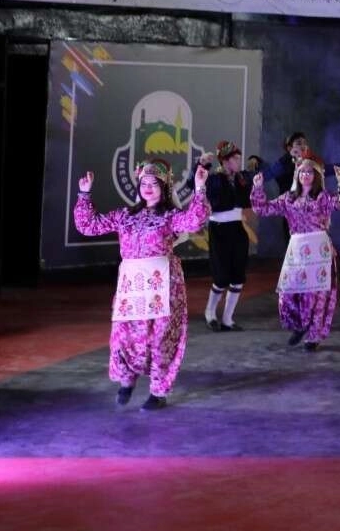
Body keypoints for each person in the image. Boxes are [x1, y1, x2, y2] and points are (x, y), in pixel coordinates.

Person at [73, 160, 211, 410]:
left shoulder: (169, 216)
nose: (148, 187)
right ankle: (127, 379)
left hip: (162, 285)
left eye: (154, 184)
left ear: (164, 188)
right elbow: (88, 226)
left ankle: (158, 391)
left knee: (159, 338)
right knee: (125, 336)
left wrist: (200, 188)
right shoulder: (125, 215)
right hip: (132, 288)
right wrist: (84, 194)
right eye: (144, 183)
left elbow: (195, 220)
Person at [251, 152, 340, 350]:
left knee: (318, 295)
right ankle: (299, 324)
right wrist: (257, 188)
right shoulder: (289, 199)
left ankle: (313, 336)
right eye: (302, 171)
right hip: (297, 251)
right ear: (297, 174)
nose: (306, 175)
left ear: (316, 175)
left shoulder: (322, 197)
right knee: (288, 292)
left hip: (319, 250)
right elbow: (262, 209)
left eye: (310, 172)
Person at [190, 140, 253, 332]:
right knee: (221, 277)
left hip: (237, 228)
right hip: (219, 229)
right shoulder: (214, 178)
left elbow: (268, 174)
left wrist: (258, 164)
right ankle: (210, 312)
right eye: (235, 158)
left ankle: (228, 318)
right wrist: (201, 165)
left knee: (238, 276)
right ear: (225, 160)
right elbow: (193, 182)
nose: (239, 161)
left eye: (239, 158)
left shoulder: (242, 177)